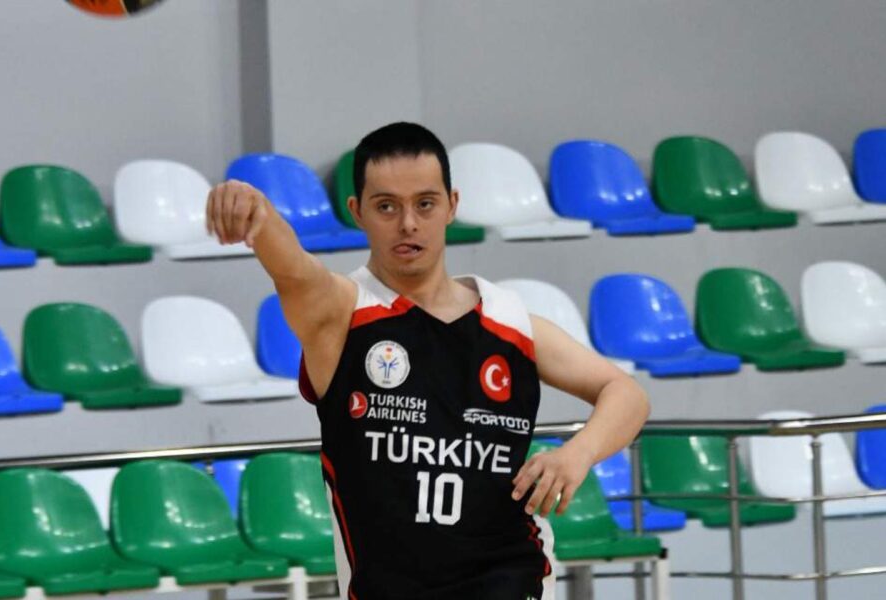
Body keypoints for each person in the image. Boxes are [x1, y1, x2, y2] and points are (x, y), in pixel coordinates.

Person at [205, 122, 650, 600]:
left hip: (511, 582)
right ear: (357, 212)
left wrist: (577, 454)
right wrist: (258, 213)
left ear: (451, 206)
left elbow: (627, 394)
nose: (408, 224)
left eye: (425, 204)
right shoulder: (339, 314)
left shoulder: (512, 323)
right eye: (386, 206)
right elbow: (293, 269)